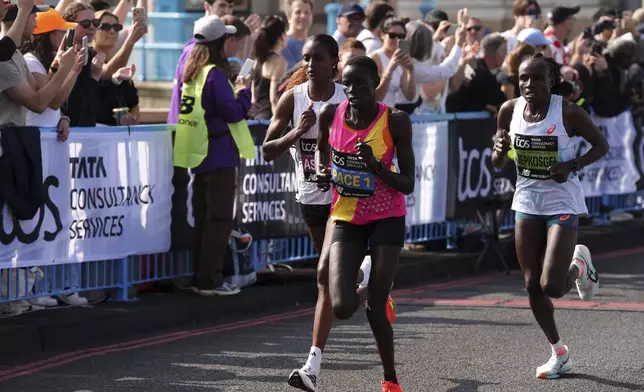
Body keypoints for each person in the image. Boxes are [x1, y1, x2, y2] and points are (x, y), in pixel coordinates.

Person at [261, 35, 392, 392]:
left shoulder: (346, 96)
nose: (311, 65)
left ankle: (311, 368)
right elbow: (268, 149)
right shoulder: (294, 97)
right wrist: (297, 133)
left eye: (318, 58)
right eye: (306, 58)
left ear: (334, 62)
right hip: (310, 198)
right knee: (337, 283)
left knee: (322, 277)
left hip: (342, 201)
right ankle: (366, 278)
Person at [491, 53, 609, 379]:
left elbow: (602, 146)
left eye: (537, 78)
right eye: (523, 78)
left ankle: (579, 264)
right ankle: (559, 353)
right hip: (527, 200)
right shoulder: (509, 110)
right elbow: (497, 162)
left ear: (551, 80)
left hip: (563, 200)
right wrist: (498, 152)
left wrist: (571, 166)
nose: (529, 85)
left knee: (552, 286)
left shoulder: (567, 112)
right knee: (531, 285)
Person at [314, 55, 415, 391]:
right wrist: (322, 169)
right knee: (341, 306)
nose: (352, 89)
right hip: (347, 215)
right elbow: (322, 148)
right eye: (346, 82)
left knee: (375, 310)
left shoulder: (395, 121)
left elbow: (408, 183)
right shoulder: (332, 114)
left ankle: (390, 379)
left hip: (387, 218)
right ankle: (370, 284)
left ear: (375, 84)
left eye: (360, 83)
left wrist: (376, 167)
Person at [173, 15, 254, 296]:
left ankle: (202, 277)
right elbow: (233, 111)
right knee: (218, 219)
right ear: (220, 43)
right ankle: (211, 280)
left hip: (199, 152)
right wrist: (244, 92)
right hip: (218, 153)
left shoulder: (193, 70)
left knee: (205, 218)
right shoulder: (214, 73)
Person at [249, 15, 288, 120]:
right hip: (269, 117)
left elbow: (242, 78)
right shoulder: (280, 62)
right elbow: (273, 98)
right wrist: (279, 123)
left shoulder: (255, 59)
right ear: (281, 37)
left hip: (254, 117)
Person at [281, 0, 313, 70]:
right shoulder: (282, 44)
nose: (303, 16)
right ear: (289, 16)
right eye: (298, 12)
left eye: (307, 12)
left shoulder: (314, 44)